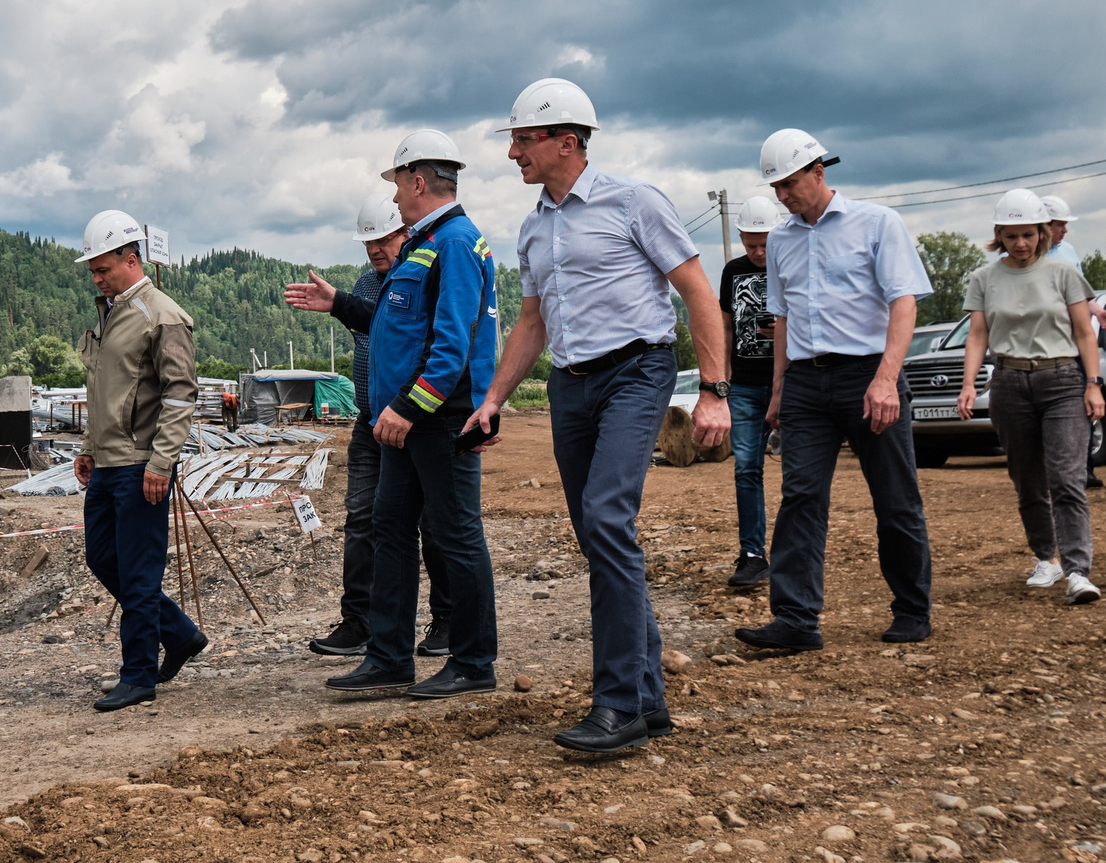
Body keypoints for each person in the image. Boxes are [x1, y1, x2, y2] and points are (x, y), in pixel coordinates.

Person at [467, 79, 731, 753]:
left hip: (637, 371)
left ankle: (618, 706)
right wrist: (495, 398)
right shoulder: (533, 228)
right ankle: (648, 696)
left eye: (523, 140)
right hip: (572, 385)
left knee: (609, 519)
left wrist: (714, 392)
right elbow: (532, 324)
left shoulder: (634, 202)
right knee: (596, 534)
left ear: (567, 140)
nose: (513, 154)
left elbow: (699, 294)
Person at [736, 128, 937, 652]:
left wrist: (888, 378)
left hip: (869, 373)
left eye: (789, 183)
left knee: (895, 497)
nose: (782, 195)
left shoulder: (877, 223)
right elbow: (780, 318)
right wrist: (779, 391)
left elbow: (904, 303)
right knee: (800, 497)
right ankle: (796, 620)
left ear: (819, 173)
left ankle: (912, 608)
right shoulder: (780, 239)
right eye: (775, 187)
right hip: (804, 382)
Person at [324, 129, 501, 701]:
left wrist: (406, 407)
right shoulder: (427, 244)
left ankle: (474, 661)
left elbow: (452, 345)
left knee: (456, 537)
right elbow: (397, 330)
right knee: (391, 533)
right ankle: (390, 657)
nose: (395, 198)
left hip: (436, 421)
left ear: (418, 181)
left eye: (398, 185)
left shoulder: (451, 244)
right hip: (401, 424)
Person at [284, 193, 458, 659]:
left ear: (406, 232)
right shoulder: (366, 284)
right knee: (363, 518)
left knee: (431, 522)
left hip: (417, 418)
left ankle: (447, 620)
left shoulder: (424, 276)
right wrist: (341, 302)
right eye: (368, 243)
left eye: (384, 239)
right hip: (370, 420)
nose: (376, 249)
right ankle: (359, 621)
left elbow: (436, 340)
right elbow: (373, 325)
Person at [71, 208, 206, 711]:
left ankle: (139, 675)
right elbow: (101, 389)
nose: (97, 277)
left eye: (103, 268)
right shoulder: (109, 315)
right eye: (93, 270)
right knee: (102, 558)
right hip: (107, 463)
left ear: (133, 259)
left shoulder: (162, 316)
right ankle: (180, 634)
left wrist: (161, 462)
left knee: (139, 570)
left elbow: (179, 396)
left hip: (141, 464)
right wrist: (88, 448)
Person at [957, 190, 1106, 605]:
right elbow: (978, 336)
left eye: (1028, 234)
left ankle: (1078, 570)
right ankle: (1046, 557)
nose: (1020, 243)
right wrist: (969, 384)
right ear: (998, 235)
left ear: (1043, 233)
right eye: (1011, 235)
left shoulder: (1063, 274)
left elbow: (1083, 333)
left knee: (1066, 477)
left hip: (1062, 380)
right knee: (1027, 480)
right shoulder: (983, 279)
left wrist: (1093, 383)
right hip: (1008, 383)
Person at [720, 195, 788, 592]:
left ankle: (794, 552)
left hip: (793, 382)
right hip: (745, 385)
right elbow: (726, 327)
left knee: (799, 474)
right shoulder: (733, 272)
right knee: (747, 469)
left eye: (765, 244)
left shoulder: (793, 264)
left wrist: (785, 332)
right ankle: (752, 555)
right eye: (751, 245)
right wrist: (722, 383)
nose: (759, 252)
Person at [1044, 195, 1106, 492]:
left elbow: (1083, 293)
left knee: (1084, 404)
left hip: (1076, 343)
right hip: (1048, 345)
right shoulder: (1030, 257)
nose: (1065, 231)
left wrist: (1098, 312)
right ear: (1044, 224)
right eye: (1060, 225)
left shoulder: (1067, 251)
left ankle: (1085, 469)